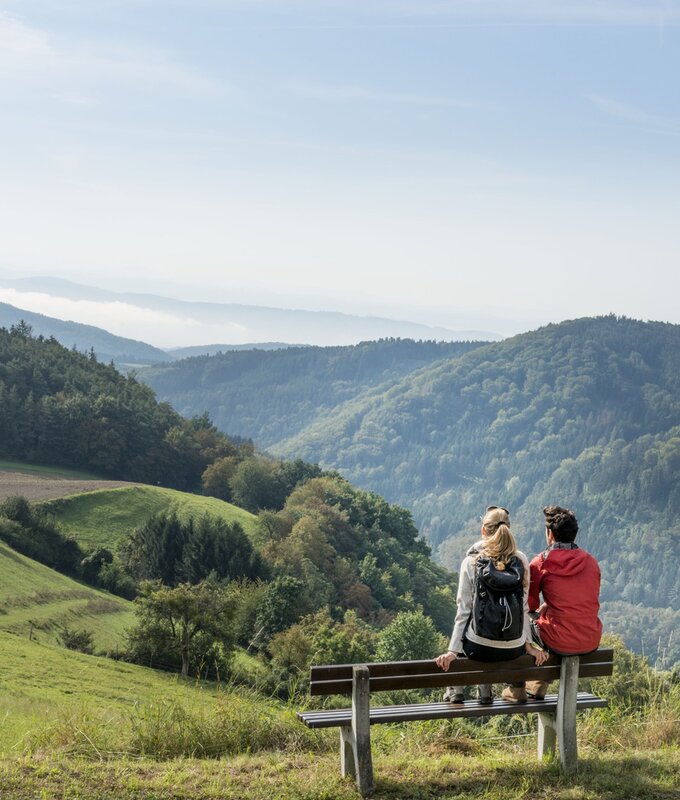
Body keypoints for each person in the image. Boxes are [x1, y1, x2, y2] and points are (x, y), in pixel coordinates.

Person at [436, 506, 548, 705]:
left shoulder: (471, 561)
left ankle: (459, 689)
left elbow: (464, 611)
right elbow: (523, 608)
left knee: (468, 629)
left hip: (479, 649)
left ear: (483, 530)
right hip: (514, 648)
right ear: (508, 529)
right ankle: (484, 690)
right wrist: (529, 646)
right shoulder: (520, 560)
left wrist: (453, 651)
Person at [507, 505, 602, 702]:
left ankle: (518, 686)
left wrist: (544, 607)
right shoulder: (591, 562)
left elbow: (529, 605)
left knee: (520, 620)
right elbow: (583, 600)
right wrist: (550, 606)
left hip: (559, 640)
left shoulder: (540, 562)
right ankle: (538, 684)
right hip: (590, 639)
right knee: (559, 628)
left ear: (550, 534)